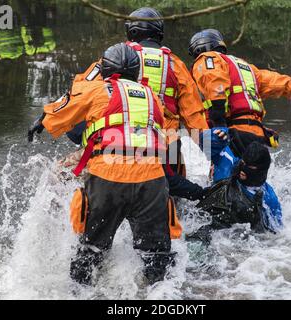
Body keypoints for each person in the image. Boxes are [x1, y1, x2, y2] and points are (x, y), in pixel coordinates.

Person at [28, 43, 182, 286]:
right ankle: (158, 295)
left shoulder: (96, 90)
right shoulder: (152, 96)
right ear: (137, 71)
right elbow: (162, 131)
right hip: (151, 180)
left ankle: (81, 291)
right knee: (157, 258)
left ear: (106, 69)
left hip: (107, 178)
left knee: (90, 253)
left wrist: (41, 121)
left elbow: (61, 111)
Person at [65, 7, 210, 201]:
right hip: (166, 144)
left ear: (131, 31)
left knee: (63, 175)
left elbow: (80, 91)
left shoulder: (115, 57)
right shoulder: (176, 65)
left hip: (117, 140)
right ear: (159, 33)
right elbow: (194, 117)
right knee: (174, 197)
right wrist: (211, 152)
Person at [189, 29, 291, 156]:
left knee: (222, 176)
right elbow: (285, 84)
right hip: (257, 135)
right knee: (254, 182)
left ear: (199, 48)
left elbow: (216, 85)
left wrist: (219, 125)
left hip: (231, 133)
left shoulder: (207, 59)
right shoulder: (247, 68)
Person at [190, 129, 282, 243]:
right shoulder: (228, 164)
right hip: (204, 221)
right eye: (244, 163)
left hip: (235, 239)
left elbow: (275, 233)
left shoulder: (269, 198)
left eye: (250, 167)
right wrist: (223, 134)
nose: (243, 170)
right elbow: (202, 139)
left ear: (261, 171)